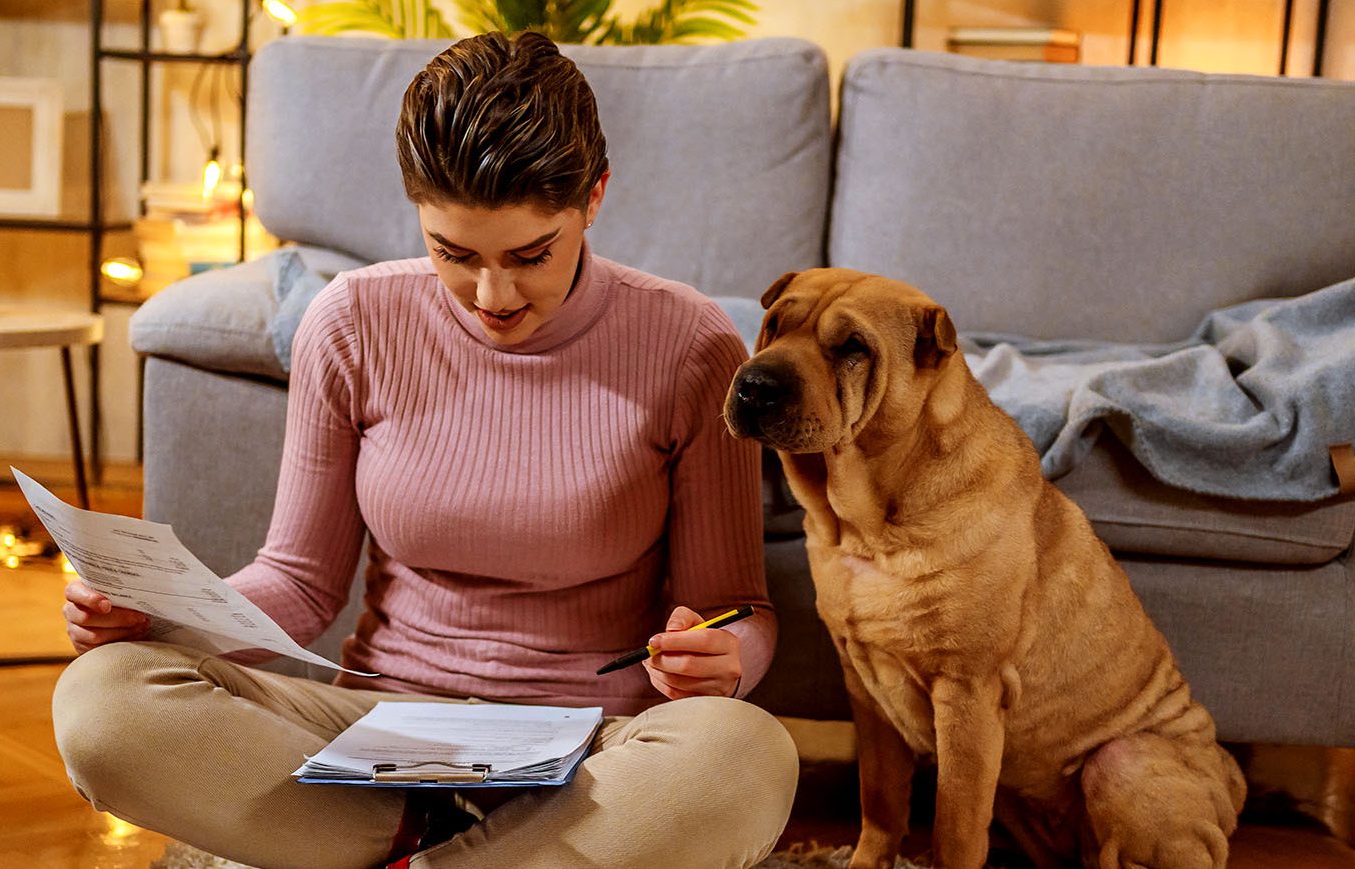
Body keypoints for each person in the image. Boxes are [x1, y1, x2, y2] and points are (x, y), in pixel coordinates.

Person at [50, 31, 799, 869]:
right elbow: (299, 584)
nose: (493, 296)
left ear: (593, 198)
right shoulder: (353, 323)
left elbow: (737, 605)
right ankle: (435, 844)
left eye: (530, 255)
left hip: (595, 750)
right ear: (417, 214)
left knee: (745, 753)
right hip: (383, 741)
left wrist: (724, 660)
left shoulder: (690, 343)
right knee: (101, 703)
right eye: (455, 253)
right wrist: (155, 616)